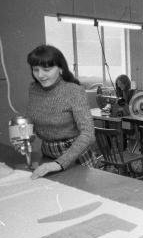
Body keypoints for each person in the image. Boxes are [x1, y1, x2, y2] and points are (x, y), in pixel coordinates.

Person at [26, 45, 96, 179]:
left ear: (61, 69)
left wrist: (59, 163)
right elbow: (31, 118)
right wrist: (24, 135)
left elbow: (88, 133)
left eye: (46, 69)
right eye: (36, 70)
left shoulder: (74, 91)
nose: (40, 75)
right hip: (47, 153)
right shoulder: (34, 89)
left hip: (75, 155)